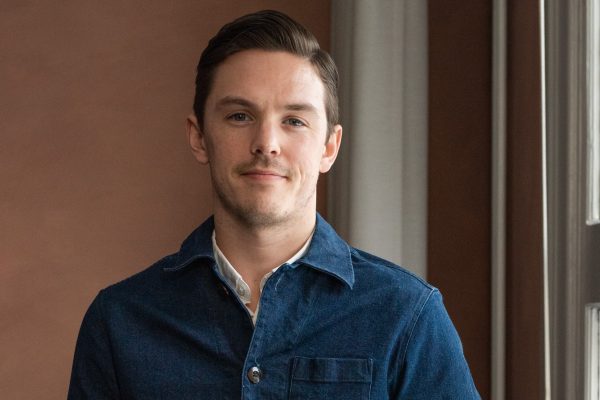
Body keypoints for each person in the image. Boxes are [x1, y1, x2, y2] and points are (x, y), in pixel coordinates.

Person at [68, 10, 480, 399]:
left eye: (294, 120)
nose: (266, 143)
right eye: (239, 116)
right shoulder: (119, 321)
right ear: (199, 137)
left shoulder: (407, 315)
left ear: (329, 147)